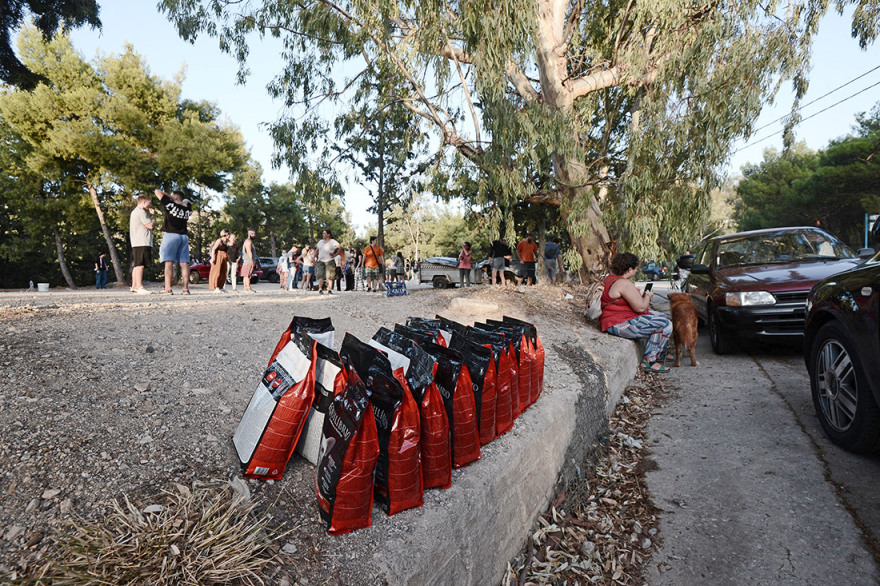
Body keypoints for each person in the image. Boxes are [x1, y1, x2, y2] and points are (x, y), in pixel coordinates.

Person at [600, 252, 673, 374]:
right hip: (619, 325)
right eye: (635, 268)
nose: (636, 270)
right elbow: (640, 307)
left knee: (660, 316)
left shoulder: (609, 279)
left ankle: (659, 353)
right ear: (629, 269)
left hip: (611, 321)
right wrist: (648, 296)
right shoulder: (624, 284)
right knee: (665, 324)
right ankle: (649, 361)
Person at [155, 189, 192, 295]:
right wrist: (179, 200)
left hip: (171, 235)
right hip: (183, 237)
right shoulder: (187, 207)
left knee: (169, 262)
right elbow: (187, 200)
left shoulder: (170, 204)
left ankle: (168, 288)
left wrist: (171, 198)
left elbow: (157, 191)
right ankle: (185, 289)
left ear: (175, 197)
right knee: (184, 263)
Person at [129, 193, 154, 295]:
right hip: (142, 241)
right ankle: (140, 286)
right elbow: (151, 225)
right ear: (144, 201)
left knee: (136, 264)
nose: (150, 205)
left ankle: (134, 286)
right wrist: (153, 216)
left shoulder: (134, 212)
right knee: (140, 265)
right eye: (149, 203)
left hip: (136, 241)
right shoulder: (141, 212)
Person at [315, 229, 341, 294]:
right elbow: (317, 250)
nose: (323, 235)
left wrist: (335, 254)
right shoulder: (320, 241)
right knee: (320, 275)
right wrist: (315, 257)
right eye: (323, 233)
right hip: (321, 260)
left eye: (324, 233)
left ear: (328, 234)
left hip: (329, 260)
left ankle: (330, 289)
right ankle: (320, 289)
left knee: (330, 275)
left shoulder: (332, 241)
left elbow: (340, 247)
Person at [241, 228, 257, 293]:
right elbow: (249, 252)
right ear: (249, 234)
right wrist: (252, 261)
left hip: (247, 260)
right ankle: (248, 288)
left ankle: (245, 288)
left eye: (254, 234)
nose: (254, 235)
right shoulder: (248, 241)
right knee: (248, 275)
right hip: (248, 261)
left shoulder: (248, 241)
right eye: (252, 234)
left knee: (246, 275)